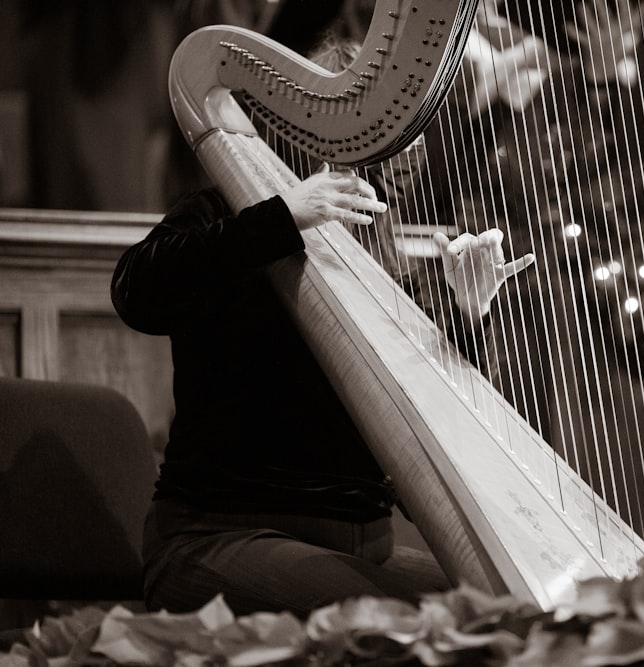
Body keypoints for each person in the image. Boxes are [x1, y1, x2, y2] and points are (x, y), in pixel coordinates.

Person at [111, 39, 535, 615]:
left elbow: (430, 441)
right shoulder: (221, 217)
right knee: (424, 624)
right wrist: (283, 215)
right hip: (217, 539)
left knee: (527, 614)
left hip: (363, 554)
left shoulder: (376, 265)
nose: (371, 167)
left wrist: (467, 313)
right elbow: (135, 292)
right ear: (292, 133)